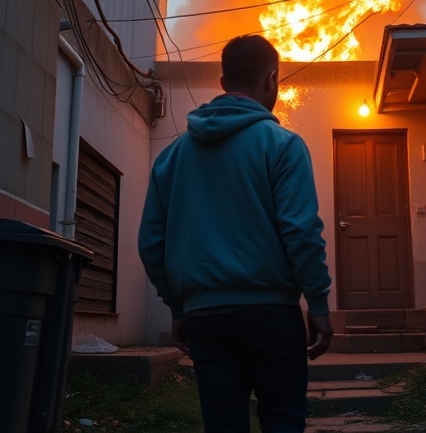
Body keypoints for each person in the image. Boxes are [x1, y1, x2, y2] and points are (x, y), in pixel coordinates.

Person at [139, 34, 333, 433]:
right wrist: (317, 303)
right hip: (272, 314)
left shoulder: (171, 157)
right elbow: (301, 232)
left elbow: (151, 244)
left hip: (205, 317)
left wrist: (178, 307)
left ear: (224, 83)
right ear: (272, 79)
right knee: (282, 419)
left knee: (223, 424)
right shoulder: (283, 145)